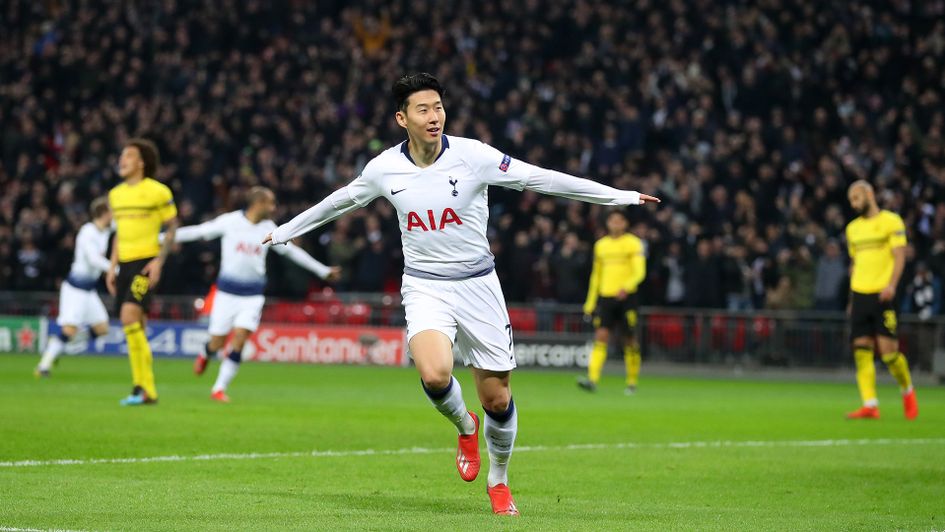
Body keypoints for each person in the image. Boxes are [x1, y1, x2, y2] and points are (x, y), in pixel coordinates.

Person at [263, 73, 659, 516]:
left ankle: (499, 480)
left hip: (478, 285)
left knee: (498, 398)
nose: (434, 117)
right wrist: (284, 231)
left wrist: (618, 197)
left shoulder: (475, 157)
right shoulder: (383, 169)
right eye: (423, 109)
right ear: (402, 118)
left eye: (438, 107)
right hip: (425, 285)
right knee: (434, 375)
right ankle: (464, 425)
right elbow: (339, 202)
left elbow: (541, 179)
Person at [173, 187, 340, 402]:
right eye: (270, 203)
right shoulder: (230, 222)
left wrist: (322, 270)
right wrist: (161, 237)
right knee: (217, 342)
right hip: (226, 294)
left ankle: (219, 388)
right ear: (258, 203)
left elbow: (293, 252)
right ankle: (206, 353)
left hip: (252, 296)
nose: (273, 208)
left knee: (240, 339)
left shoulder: (269, 228)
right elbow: (198, 231)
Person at [105, 138, 179, 406]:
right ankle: (148, 390)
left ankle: (141, 388)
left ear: (141, 162)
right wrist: (112, 266)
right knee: (137, 327)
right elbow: (118, 234)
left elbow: (171, 228)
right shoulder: (115, 195)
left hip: (146, 263)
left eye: (128, 156)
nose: (121, 160)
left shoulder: (158, 192)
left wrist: (159, 261)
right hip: (124, 265)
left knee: (128, 317)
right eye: (121, 156)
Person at [844, 180, 918, 420]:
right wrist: (852, 299)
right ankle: (870, 404)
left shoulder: (891, 222)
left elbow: (899, 257)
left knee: (888, 354)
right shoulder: (852, 229)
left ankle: (907, 391)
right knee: (861, 350)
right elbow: (855, 265)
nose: (854, 203)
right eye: (851, 200)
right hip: (860, 293)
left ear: (869, 193)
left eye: (857, 197)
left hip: (882, 294)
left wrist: (892, 285)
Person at [35, 198, 113, 377]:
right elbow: (93, 259)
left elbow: (126, 227)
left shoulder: (106, 230)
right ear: (104, 213)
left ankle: (59, 345)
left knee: (102, 328)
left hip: (89, 290)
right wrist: (114, 269)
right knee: (69, 329)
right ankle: (43, 366)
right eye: (112, 211)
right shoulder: (88, 232)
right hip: (75, 289)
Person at [577, 210, 646, 394]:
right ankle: (592, 380)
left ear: (625, 223)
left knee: (630, 340)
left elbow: (639, 271)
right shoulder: (601, 245)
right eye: (612, 220)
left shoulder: (633, 243)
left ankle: (632, 382)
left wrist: (627, 286)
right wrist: (590, 303)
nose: (615, 224)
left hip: (627, 297)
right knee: (601, 337)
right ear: (608, 223)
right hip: (606, 298)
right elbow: (596, 276)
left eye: (619, 220)